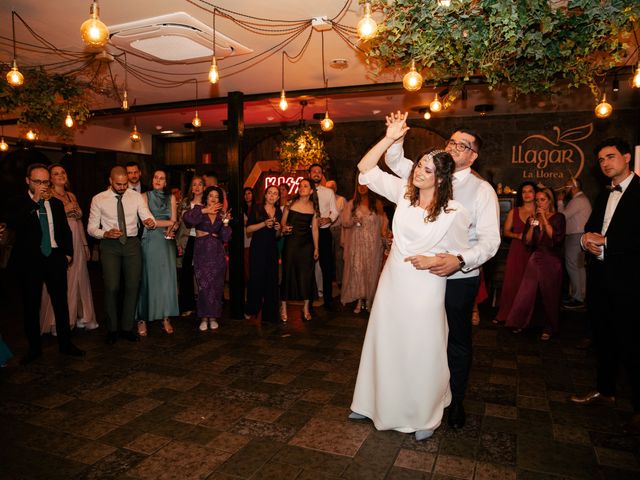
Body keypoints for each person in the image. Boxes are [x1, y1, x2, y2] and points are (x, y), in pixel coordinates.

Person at [349, 118, 470, 441]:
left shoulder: (454, 211)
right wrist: (389, 139)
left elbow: (460, 254)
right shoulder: (403, 194)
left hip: (427, 283)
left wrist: (435, 260)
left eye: (427, 169)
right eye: (419, 165)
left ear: (441, 177)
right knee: (385, 340)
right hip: (394, 280)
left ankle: (423, 414)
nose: (418, 172)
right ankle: (371, 401)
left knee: (421, 347)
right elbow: (365, 167)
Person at [384, 111, 500, 429]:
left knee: (455, 340)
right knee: (420, 338)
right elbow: (396, 162)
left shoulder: (481, 190)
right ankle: (415, 396)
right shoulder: (430, 171)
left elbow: (491, 242)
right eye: (451, 142)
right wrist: (396, 135)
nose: (453, 148)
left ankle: (455, 400)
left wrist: (460, 260)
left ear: (474, 155)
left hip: (457, 278)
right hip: (418, 277)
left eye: (462, 146)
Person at [570, 138, 640, 435]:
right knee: (603, 336)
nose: (605, 163)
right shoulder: (602, 195)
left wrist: (607, 243)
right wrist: (587, 239)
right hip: (600, 277)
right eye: (600, 160)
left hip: (630, 281)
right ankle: (605, 390)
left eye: (610, 157)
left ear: (627, 157)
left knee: (633, 344)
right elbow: (592, 229)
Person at [7, 163, 85, 364]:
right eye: (38, 182)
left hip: (54, 258)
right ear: (28, 181)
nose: (42, 185)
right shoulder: (19, 202)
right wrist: (34, 201)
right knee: (31, 305)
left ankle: (65, 344)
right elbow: (15, 224)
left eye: (45, 181)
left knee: (61, 303)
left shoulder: (56, 204)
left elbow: (65, 231)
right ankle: (34, 348)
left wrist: (67, 254)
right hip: (30, 262)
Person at [87, 166, 156, 344]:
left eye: (125, 184)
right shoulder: (99, 199)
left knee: (133, 286)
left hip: (132, 244)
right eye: (119, 184)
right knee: (112, 287)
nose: (123, 187)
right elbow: (91, 228)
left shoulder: (135, 196)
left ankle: (126, 328)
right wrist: (105, 233)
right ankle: (112, 329)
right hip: (110, 245)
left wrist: (150, 221)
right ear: (110, 181)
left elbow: (146, 215)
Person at [40, 164, 98, 334]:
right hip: (60, 241)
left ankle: (81, 316)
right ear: (50, 178)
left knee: (79, 277)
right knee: (61, 280)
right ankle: (58, 322)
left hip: (76, 241)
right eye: (56, 174)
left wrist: (85, 244)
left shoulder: (71, 195)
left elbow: (78, 221)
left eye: (63, 172)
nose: (60, 175)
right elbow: (48, 220)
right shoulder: (47, 196)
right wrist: (64, 209)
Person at [506, 188, 565, 340]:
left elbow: (556, 239)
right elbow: (527, 241)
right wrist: (532, 226)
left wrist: (544, 219)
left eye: (543, 200)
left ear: (550, 201)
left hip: (551, 260)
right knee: (527, 293)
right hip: (535, 257)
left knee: (550, 294)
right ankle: (522, 322)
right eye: (537, 200)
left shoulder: (559, 217)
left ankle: (550, 327)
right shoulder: (532, 218)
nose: (539, 203)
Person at [136, 169, 179, 336]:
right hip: (149, 241)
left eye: (162, 178)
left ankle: (165, 317)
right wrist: (168, 222)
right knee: (148, 279)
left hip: (166, 242)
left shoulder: (171, 198)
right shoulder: (144, 196)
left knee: (166, 280)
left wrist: (171, 227)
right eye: (156, 177)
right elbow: (147, 222)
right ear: (152, 179)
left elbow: (175, 221)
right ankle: (142, 319)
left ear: (166, 182)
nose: (158, 180)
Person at [182, 186, 232, 331]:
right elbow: (187, 219)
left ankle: (214, 317)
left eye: (216, 197)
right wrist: (204, 210)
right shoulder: (199, 210)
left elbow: (226, 237)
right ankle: (204, 317)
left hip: (217, 254)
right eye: (211, 196)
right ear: (206, 197)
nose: (213, 199)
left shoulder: (221, 215)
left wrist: (226, 222)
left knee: (216, 286)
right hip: (201, 252)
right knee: (203, 286)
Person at [493, 181, 536, 324]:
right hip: (517, 250)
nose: (527, 194)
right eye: (524, 192)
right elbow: (505, 232)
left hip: (534, 251)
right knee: (513, 282)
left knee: (531, 284)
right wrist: (517, 236)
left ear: (535, 193)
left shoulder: (540, 211)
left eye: (530, 191)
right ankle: (507, 314)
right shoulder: (514, 211)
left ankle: (527, 317)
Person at [340, 182, 386, 313]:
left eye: (365, 185)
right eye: (359, 185)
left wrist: (384, 236)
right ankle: (359, 300)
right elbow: (345, 222)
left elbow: (384, 222)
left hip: (373, 244)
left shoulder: (377, 204)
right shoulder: (352, 203)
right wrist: (352, 221)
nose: (362, 187)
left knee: (371, 270)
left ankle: (369, 300)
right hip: (357, 244)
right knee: (358, 270)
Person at [280, 178, 319, 322]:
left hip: (306, 245)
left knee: (306, 275)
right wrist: (284, 228)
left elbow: (315, 229)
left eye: (305, 186)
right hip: (291, 242)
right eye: (300, 186)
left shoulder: (314, 208)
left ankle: (306, 307)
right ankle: (283, 307)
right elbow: (283, 223)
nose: (301, 188)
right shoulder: (290, 204)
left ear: (311, 191)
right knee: (287, 273)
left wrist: (316, 248)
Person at [245, 185, 282, 323]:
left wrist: (279, 229)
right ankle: (251, 309)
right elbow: (248, 229)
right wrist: (264, 223)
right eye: (270, 193)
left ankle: (270, 313)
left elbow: (277, 236)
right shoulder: (257, 208)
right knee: (256, 279)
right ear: (265, 195)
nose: (272, 195)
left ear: (278, 198)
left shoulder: (278, 211)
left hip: (272, 249)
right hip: (258, 248)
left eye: (275, 194)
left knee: (271, 280)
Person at [556, 177, 591, 310]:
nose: (565, 188)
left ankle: (578, 298)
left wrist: (559, 201)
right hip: (579, 236)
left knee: (573, 266)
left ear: (575, 186)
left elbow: (561, 217)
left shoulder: (578, 200)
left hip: (576, 237)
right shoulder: (581, 200)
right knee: (579, 267)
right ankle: (580, 296)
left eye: (567, 186)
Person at [308, 164, 339, 309]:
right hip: (308, 233)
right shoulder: (304, 192)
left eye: (319, 172)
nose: (316, 174)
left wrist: (329, 219)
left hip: (324, 233)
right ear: (309, 174)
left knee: (326, 268)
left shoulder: (328, 192)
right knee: (307, 268)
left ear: (322, 175)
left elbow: (335, 211)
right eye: (314, 171)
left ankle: (328, 300)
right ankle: (308, 299)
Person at [176, 176, 204, 317]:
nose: (197, 187)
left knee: (202, 273)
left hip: (202, 240)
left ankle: (203, 305)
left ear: (204, 187)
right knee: (185, 273)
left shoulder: (207, 203)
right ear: (191, 188)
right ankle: (187, 305)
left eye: (200, 184)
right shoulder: (185, 203)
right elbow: (179, 224)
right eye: (194, 185)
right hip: (187, 240)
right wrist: (178, 243)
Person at [325, 180, 346, 288]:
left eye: (332, 187)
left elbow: (344, 217)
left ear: (336, 189)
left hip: (338, 229)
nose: (330, 190)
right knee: (327, 256)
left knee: (339, 256)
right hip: (326, 230)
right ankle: (329, 280)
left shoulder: (341, 200)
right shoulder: (324, 200)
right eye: (327, 188)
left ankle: (340, 281)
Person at [243, 186, 255, 282]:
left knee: (254, 260)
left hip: (255, 236)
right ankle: (248, 280)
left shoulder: (258, 207)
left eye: (249, 193)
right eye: (245, 194)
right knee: (246, 260)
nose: (247, 196)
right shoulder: (241, 208)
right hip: (245, 237)